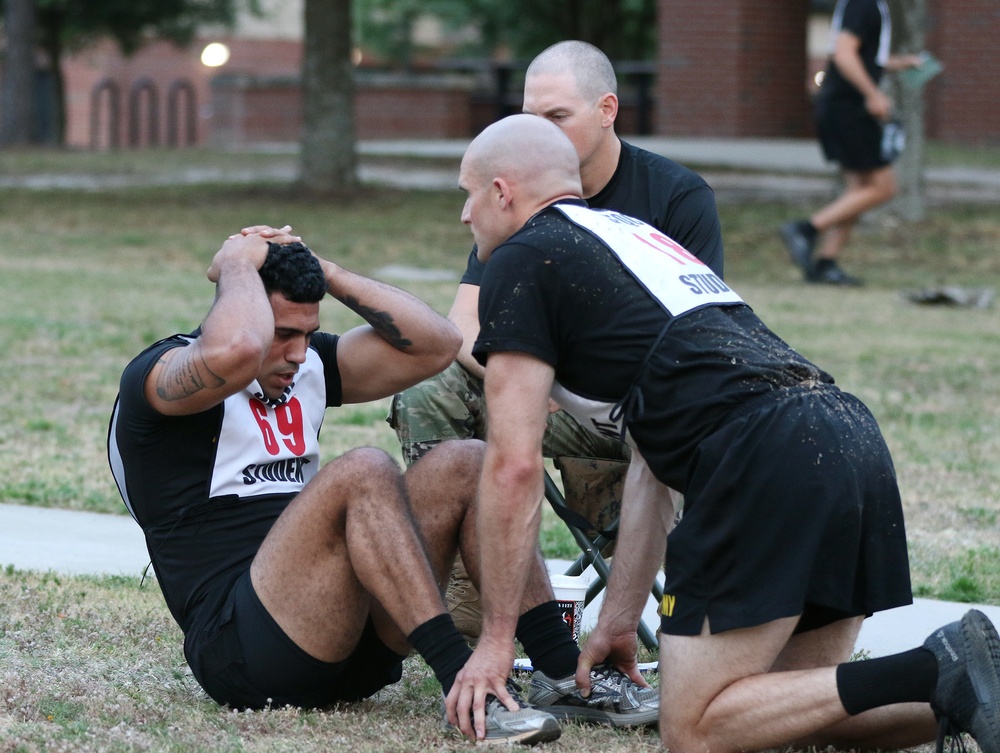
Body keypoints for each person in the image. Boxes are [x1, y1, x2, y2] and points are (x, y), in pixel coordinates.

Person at [444, 113, 1000, 753]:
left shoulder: (523, 256)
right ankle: (969, 686)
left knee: (694, 731)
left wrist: (493, 644)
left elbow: (514, 467)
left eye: (468, 193)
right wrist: (621, 618)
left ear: (503, 191)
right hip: (844, 431)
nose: (464, 215)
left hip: (764, 452)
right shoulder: (634, 238)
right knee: (788, 726)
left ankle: (935, 665)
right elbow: (652, 461)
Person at [108, 229, 656, 745]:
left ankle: (563, 675)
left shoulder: (308, 366)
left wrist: (328, 272)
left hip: (350, 642)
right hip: (246, 652)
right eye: (282, 336)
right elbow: (233, 351)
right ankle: (462, 688)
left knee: (467, 460)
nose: (298, 354)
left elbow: (438, 344)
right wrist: (234, 263)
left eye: (305, 333)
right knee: (364, 468)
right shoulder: (163, 377)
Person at [388, 39, 724, 640]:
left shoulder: (676, 197)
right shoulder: (515, 192)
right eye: (529, 116)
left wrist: (554, 379)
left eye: (558, 116)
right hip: (541, 397)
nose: (539, 130)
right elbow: (462, 325)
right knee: (431, 386)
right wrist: (520, 375)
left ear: (607, 110)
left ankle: (700, 617)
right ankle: (464, 584)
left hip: (643, 410)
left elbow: (692, 337)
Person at [781, 0, 924, 286]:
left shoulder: (868, 5)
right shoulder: (864, 3)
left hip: (843, 107)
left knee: (859, 189)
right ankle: (805, 229)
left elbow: (861, 55)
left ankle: (826, 263)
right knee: (884, 187)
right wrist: (873, 94)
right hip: (848, 109)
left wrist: (899, 63)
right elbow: (844, 54)